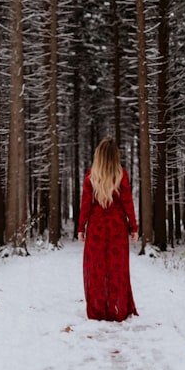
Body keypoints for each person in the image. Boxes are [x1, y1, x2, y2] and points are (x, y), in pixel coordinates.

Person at [77, 138, 138, 322]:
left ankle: (96, 311)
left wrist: (81, 228)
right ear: (115, 157)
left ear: (99, 156)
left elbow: (85, 205)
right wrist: (133, 227)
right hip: (117, 228)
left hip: (96, 228)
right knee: (117, 269)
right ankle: (117, 310)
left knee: (95, 270)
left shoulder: (91, 176)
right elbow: (128, 204)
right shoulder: (122, 175)